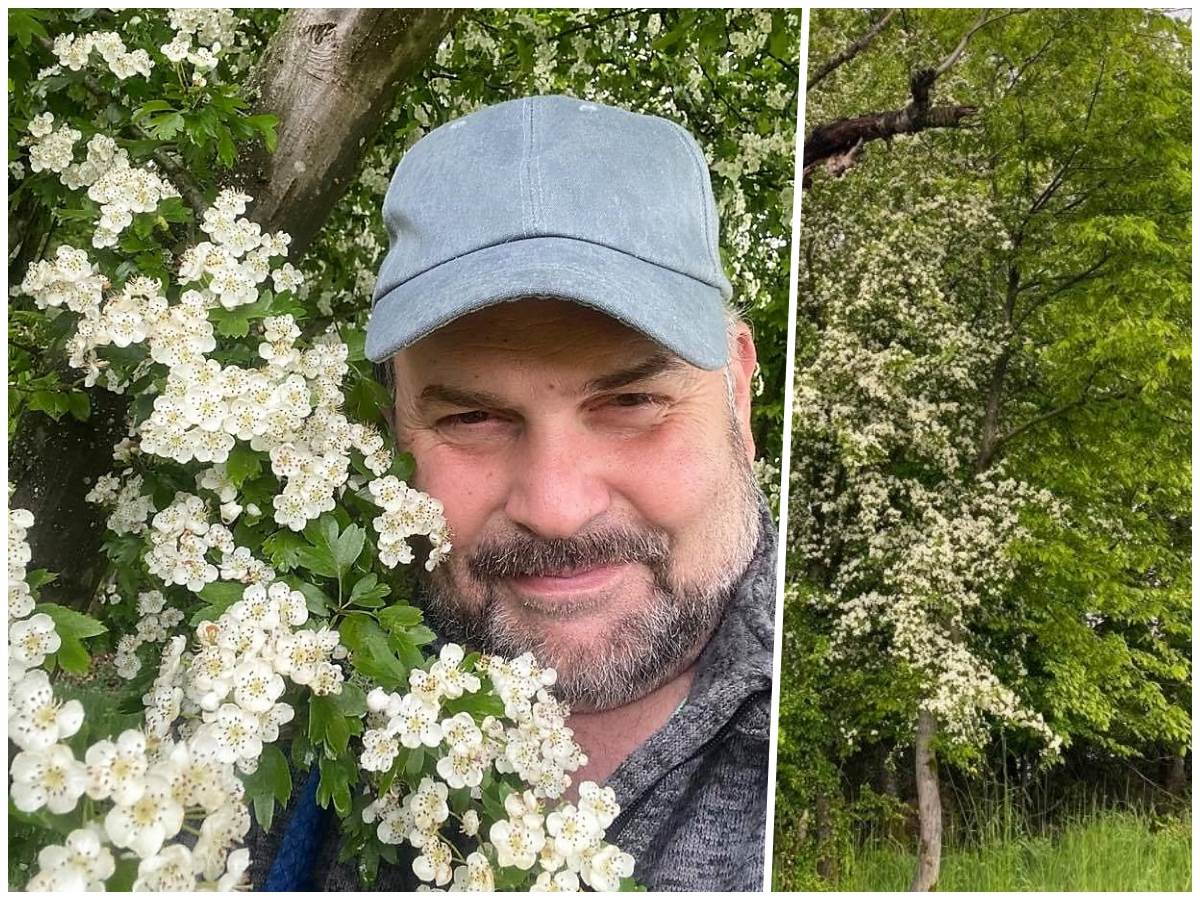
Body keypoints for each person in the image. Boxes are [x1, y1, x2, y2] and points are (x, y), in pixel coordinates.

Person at [248, 94, 776, 892]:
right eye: (472, 416)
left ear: (737, 386)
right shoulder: (277, 700)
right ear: (394, 423)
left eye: (630, 402)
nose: (556, 506)